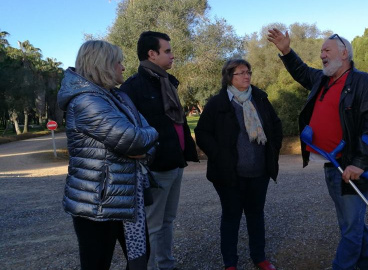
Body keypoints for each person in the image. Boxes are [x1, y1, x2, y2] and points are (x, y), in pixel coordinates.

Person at [268, 29, 368, 270]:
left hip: (350, 165)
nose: (322, 55)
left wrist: (359, 164)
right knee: (352, 224)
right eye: (321, 51)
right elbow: (301, 71)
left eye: (326, 50)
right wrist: (286, 51)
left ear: (344, 53)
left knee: (350, 226)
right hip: (331, 164)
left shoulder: (363, 82)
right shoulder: (322, 79)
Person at [58, 40, 159, 270]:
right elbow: (135, 140)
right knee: (96, 263)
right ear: (102, 65)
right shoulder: (86, 101)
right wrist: (150, 136)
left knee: (141, 255)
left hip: (125, 196)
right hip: (97, 202)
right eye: (118, 62)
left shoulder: (117, 97)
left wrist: (144, 143)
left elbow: (145, 141)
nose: (123, 67)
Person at [120, 31, 199, 270]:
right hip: (155, 168)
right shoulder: (132, 88)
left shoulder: (167, 81)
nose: (172, 55)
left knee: (168, 220)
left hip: (175, 163)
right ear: (151, 54)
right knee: (153, 225)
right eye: (167, 51)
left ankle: (166, 264)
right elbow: (128, 130)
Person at [194, 59, 283, 270]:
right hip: (229, 174)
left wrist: (272, 150)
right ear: (229, 77)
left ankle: (259, 257)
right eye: (241, 73)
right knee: (231, 218)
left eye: (248, 72)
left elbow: (276, 125)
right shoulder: (218, 103)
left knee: (256, 216)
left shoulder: (260, 99)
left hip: (259, 172)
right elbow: (202, 133)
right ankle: (230, 263)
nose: (246, 76)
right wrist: (219, 156)